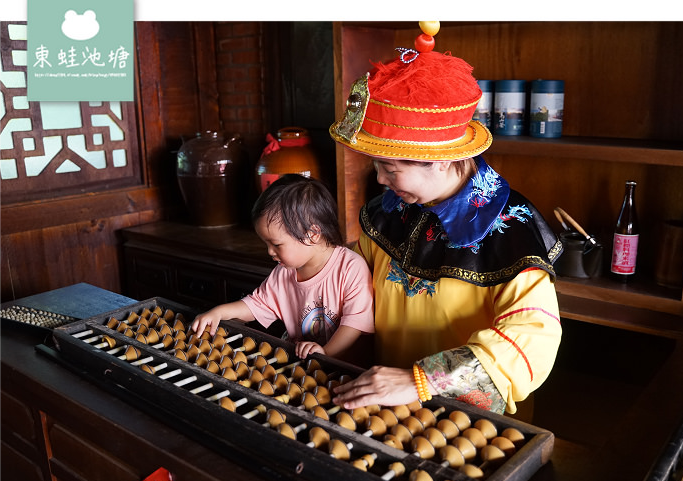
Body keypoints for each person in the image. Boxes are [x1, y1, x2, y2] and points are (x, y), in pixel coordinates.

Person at [327, 22, 563, 417]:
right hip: (384, 407)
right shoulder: (391, 209)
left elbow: (531, 337)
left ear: (440, 161)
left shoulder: (510, 229)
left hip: (464, 424)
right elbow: (351, 280)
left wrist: (424, 380)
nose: (381, 179)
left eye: (389, 167)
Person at [190, 174, 374, 360]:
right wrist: (218, 312)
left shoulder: (350, 268)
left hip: (344, 370)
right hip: (300, 364)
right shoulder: (284, 272)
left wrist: (326, 354)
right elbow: (256, 305)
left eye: (276, 244)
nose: (270, 252)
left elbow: (354, 324)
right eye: (267, 244)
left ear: (312, 234)